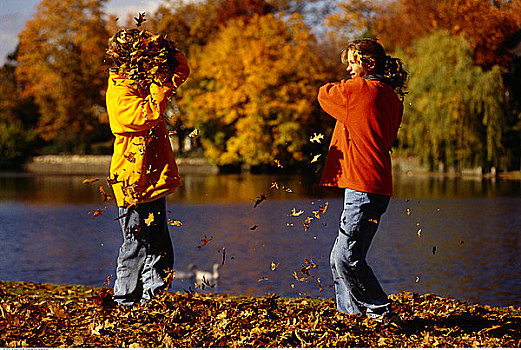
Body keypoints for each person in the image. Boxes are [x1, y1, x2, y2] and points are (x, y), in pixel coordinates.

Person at [317, 39, 407, 323]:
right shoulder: (390, 96)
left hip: (364, 185)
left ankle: (381, 312)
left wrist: (354, 79)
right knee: (340, 256)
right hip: (375, 184)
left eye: (351, 62)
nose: (347, 68)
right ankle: (350, 316)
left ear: (368, 64)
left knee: (347, 257)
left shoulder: (361, 91)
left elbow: (324, 94)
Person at [105, 29, 190, 306]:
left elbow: (181, 70)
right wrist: (159, 84)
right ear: (128, 59)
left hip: (153, 178)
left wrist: (164, 49)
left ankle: (152, 298)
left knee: (160, 244)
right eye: (141, 54)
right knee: (136, 244)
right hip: (133, 180)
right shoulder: (120, 90)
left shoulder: (143, 81)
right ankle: (125, 300)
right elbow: (147, 114)